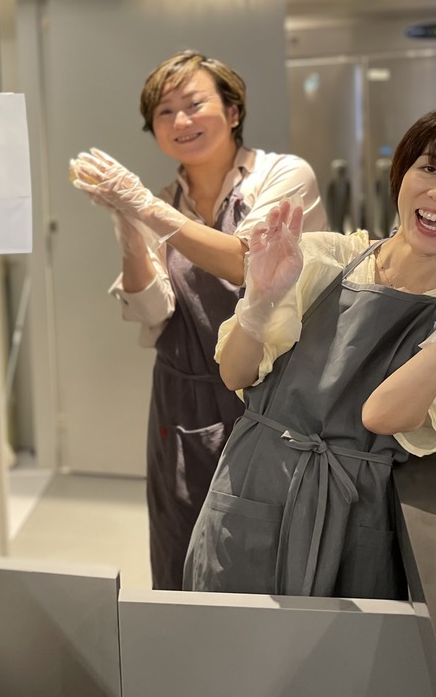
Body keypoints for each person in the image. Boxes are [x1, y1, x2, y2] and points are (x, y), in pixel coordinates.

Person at [182, 103, 436, 600]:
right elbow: (235, 374)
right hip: (254, 486)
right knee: (230, 637)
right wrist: (261, 301)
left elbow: (381, 417)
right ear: (403, 176)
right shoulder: (323, 257)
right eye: (429, 167)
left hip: (356, 511)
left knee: (341, 649)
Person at [69, 50, 327, 590]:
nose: (180, 121)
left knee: (266, 556)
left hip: (272, 399)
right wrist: (128, 226)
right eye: (164, 112)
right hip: (183, 404)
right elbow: (153, 312)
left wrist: (142, 206)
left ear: (233, 112)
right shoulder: (162, 202)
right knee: (181, 553)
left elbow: (247, 261)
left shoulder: (283, 175)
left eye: (193, 104)